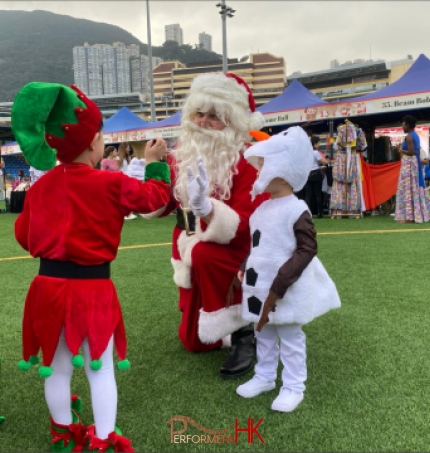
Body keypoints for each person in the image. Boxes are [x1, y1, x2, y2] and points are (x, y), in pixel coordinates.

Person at [12, 81, 170, 452]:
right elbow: (155, 199)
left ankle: (63, 435)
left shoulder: (39, 188)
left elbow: (24, 235)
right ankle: (102, 440)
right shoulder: (110, 183)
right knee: (98, 368)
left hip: (47, 287)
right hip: (91, 290)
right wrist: (154, 163)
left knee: (57, 367)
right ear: (93, 142)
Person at [166, 72, 267, 379]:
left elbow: (248, 226)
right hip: (192, 247)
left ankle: (244, 332)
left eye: (215, 116)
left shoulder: (250, 160)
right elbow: (167, 204)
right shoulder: (181, 156)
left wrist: (208, 210)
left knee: (205, 255)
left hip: (239, 254)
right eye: (199, 113)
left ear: (233, 122)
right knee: (194, 343)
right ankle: (213, 318)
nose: (204, 122)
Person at [234, 126, 341, 412]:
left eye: (263, 167)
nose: (258, 174)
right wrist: (245, 266)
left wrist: (282, 280)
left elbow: (307, 249)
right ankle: (265, 376)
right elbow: (257, 245)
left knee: (291, 338)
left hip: (287, 288)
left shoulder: (297, 209)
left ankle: (294, 386)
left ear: (282, 171)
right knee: (263, 333)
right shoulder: (260, 210)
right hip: (259, 288)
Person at [394, 115, 430, 223]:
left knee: (408, 187)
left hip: (409, 164)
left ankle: (409, 216)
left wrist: (400, 149)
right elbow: (417, 152)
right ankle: (416, 214)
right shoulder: (416, 135)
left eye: (403, 124)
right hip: (415, 163)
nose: (402, 127)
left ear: (408, 125)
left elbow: (411, 152)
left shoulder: (409, 137)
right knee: (414, 186)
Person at [304, 136, 330, 218]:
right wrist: (328, 159)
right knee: (318, 194)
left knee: (308, 195)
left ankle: (308, 213)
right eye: (318, 143)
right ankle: (319, 213)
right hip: (316, 173)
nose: (319, 145)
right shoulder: (315, 152)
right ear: (314, 143)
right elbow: (324, 162)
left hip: (307, 174)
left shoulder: (305, 152)